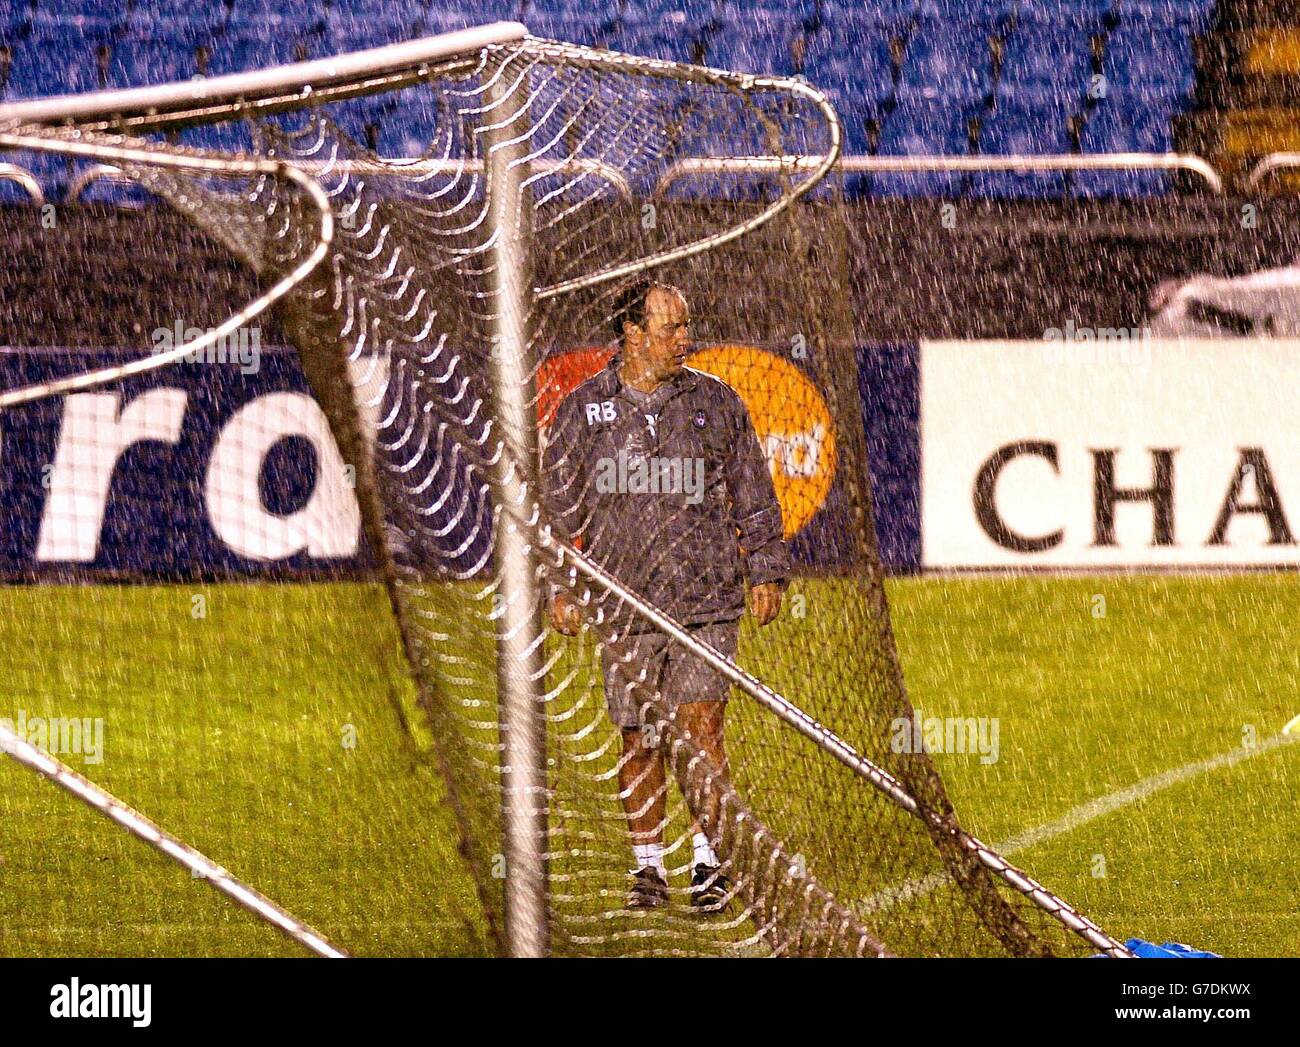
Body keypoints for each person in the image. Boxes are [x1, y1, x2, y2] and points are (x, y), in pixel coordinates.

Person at [542, 279, 789, 912]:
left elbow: (753, 491)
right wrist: (560, 587)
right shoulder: (582, 411)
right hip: (625, 604)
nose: (685, 338)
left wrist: (766, 568)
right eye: (671, 328)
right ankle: (648, 867)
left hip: (704, 599)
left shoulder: (715, 403)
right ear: (633, 333)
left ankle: (709, 863)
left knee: (701, 728)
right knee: (638, 736)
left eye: (686, 326)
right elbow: (555, 509)